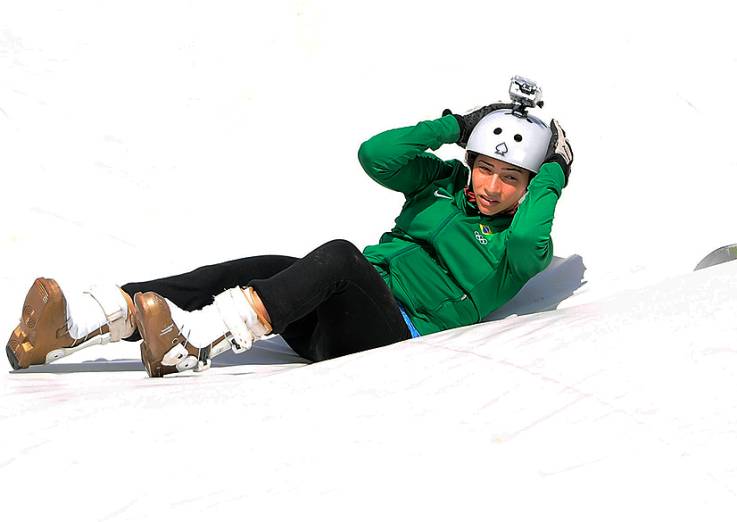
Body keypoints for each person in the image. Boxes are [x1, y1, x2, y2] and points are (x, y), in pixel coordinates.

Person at [6, 101, 574, 378]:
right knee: (261, 265)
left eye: (512, 178)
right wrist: (455, 125)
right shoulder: (443, 185)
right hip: (339, 308)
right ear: (470, 161)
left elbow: (527, 245)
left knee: (340, 259)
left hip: (388, 335)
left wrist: (552, 169)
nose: (493, 186)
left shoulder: (515, 248)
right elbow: (376, 155)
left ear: (528, 188)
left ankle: (193, 342)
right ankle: (88, 321)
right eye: (486, 168)